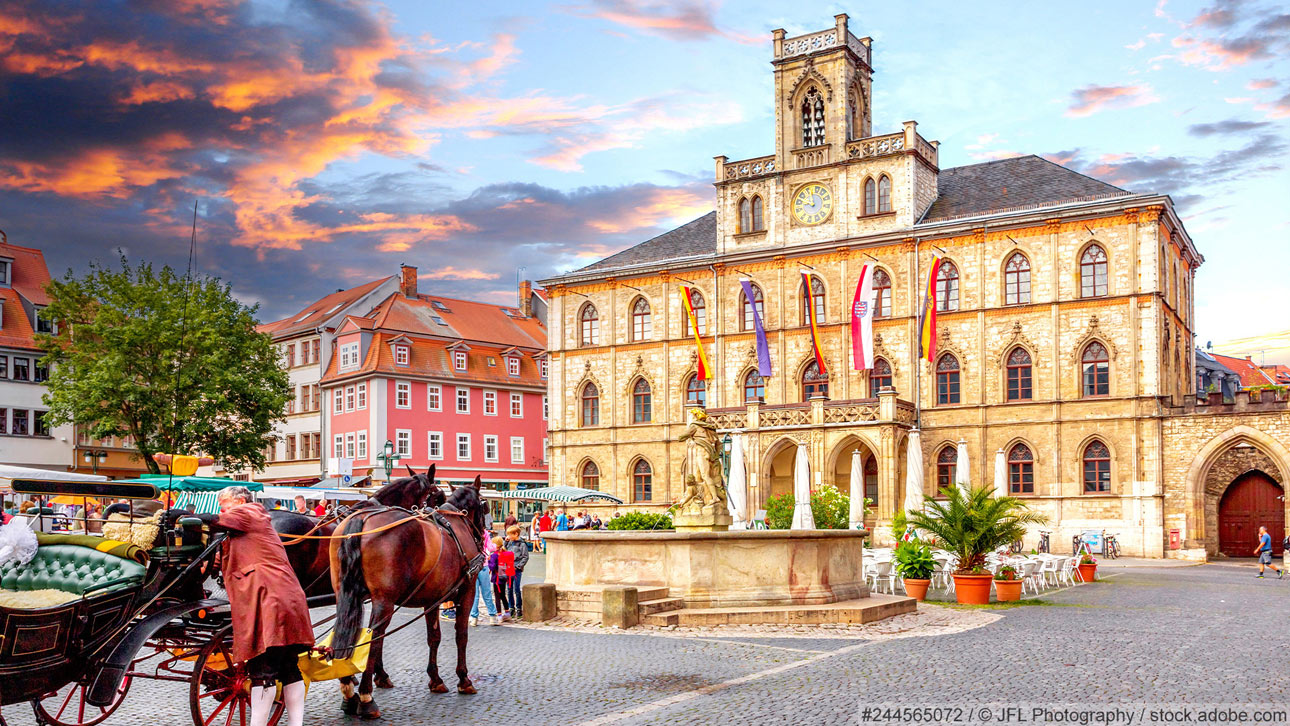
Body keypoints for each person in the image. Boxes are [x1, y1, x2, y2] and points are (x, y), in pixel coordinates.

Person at [194, 486, 313, 726]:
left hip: (271, 601)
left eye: (224, 503)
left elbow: (217, 519)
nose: (221, 509)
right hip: (280, 599)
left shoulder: (251, 513)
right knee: (289, 667)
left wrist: (187, 517)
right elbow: (219, 563)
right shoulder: (241, 530)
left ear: (239, 501)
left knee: (263, 668)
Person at [470, 530, 501, 626]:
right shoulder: (484, 532)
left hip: (473, 566)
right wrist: (498, 545)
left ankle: (474, 618)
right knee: (486, 593)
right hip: (483, 566)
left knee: (474, 595)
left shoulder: (469, 531)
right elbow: (491, 547)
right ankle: (492, 617)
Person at [503, 525, 529, 618]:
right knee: (509, 589)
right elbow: (504, 551)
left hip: (516, 569)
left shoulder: (521, 544)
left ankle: (519, 608)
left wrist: (518, 566)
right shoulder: (509, 543)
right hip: (509, 568)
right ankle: (511, 607)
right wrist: (505, 542)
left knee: (516, 589)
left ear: (516, 534)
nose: (508, 537)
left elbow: (525, 556)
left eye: (510, 535)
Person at [493, 536, 514, 622]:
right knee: (503, 595)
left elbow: (493, 567)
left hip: (496, 578)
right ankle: (507, 612)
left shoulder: (494, 555)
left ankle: (499, 615)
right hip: (504, 577)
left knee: (497, 597)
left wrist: (490, 560)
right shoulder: (505, 552)